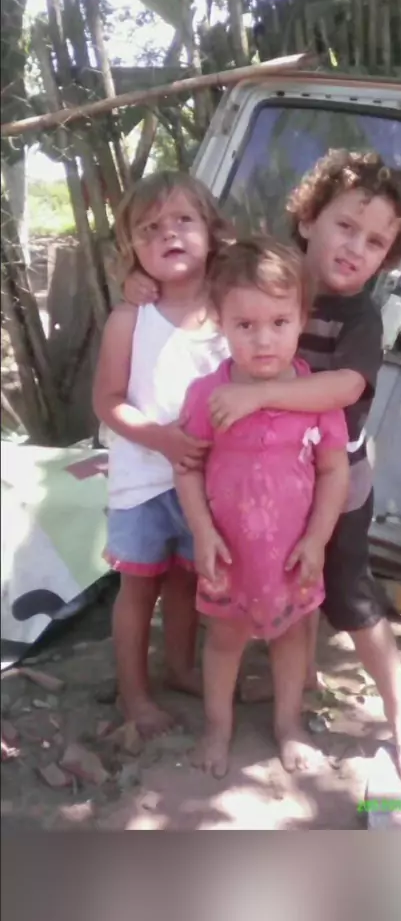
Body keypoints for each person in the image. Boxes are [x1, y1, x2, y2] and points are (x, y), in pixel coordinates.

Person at [122, 150, 401, 786]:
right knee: (264, 594)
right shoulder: (269, 276)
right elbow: (203, 266)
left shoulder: (359, 315)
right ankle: (284, 688)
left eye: (375, 242)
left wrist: (261, 395)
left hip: (335, 478)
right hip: (252, 485)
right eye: (345, 226)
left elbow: (346, 387)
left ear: (389, 257)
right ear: (308, 220)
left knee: (348, 593)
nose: (355, 248)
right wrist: (141, 282)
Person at [175, 237, 350, 777]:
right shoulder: (207, 395)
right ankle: (218, 727)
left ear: (301, 318)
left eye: (278, 322)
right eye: (245, 325)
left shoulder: (316, 396)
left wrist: (317, 540)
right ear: (220, 322)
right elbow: (187, 468)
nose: (263, 339)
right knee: (224, 640)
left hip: (294, 555)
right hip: (228, 554)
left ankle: (288, 725)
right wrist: (202, 532)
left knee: (291, 637)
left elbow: (334, 470)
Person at [92, 171, 233, 736]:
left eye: (183, 220)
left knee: (186, 582)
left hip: (208, 484)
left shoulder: (231, 313)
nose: (168, 234)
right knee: (138, 588)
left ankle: (179, 668)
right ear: (132, 249)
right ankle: (134, 696)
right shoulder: (130, 319)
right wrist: (163, 440)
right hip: (143, 483)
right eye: (149, 229)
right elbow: (107, 401)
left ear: (212, 231)